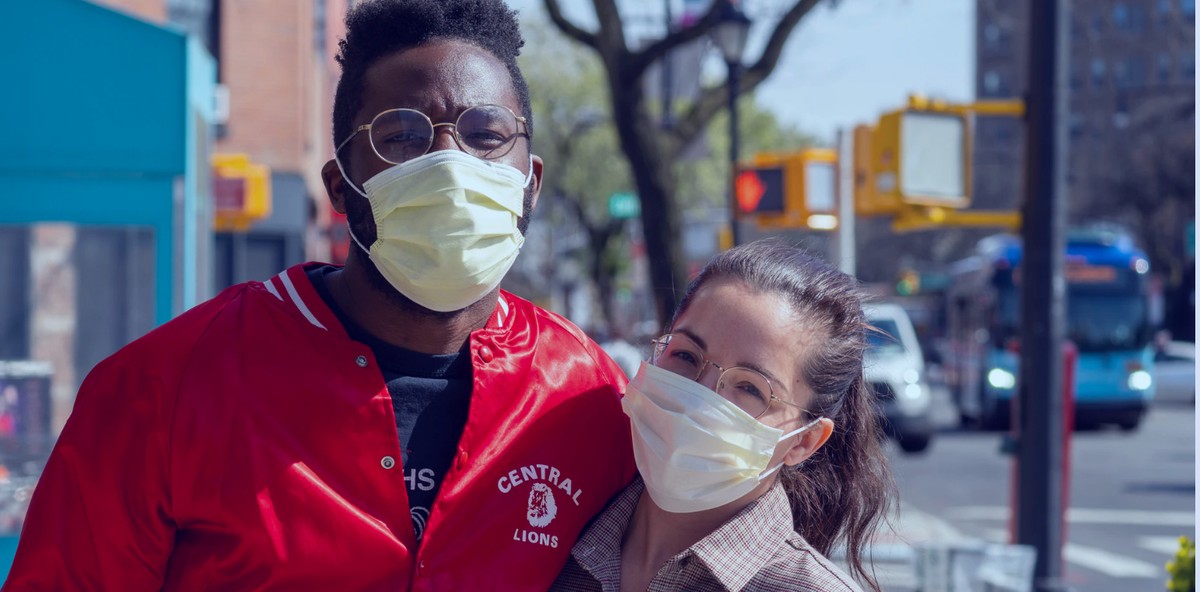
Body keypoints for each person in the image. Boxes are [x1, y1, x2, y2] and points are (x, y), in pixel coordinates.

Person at [4, 1, 635, 589]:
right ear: (340, 189)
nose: (451, 164)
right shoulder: (163, 389)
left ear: (531, 183)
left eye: (487, 134)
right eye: (403, 138)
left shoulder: (589, 398)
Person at [552, 240, 896, 592]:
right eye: (685, 356)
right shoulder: (549, 536)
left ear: (805, 441)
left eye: (750, 388)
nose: (700, 398)